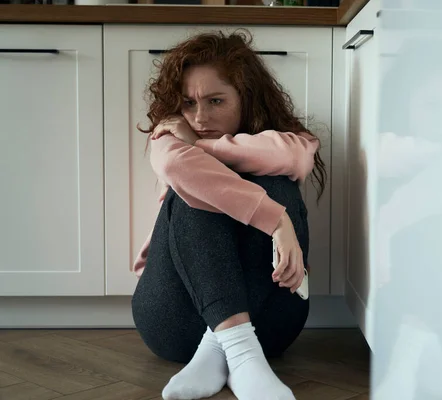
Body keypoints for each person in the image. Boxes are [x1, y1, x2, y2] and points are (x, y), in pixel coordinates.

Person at [130, 30, 327, 400]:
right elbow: (175, 162)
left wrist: (200, 147)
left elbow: (294, 158)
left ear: (246, 98)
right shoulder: (170, 134)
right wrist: (278, 221)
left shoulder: (287, 140)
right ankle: (239, 352)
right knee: (191, 189)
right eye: (188, 103)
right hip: (174, 317)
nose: (199, 117)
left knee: (278, 183)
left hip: (269, 321)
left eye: (215, 100)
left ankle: (222, 349)